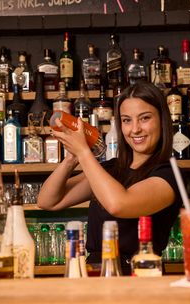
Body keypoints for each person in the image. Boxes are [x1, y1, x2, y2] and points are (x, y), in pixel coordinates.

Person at [37, 80, 181, 275]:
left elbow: (119, 204)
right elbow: (48, 201)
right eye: (127, 120)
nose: (135, 129)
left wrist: (83, 153)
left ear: (162, 121)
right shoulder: (111, 169)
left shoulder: (168, 175)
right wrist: (71, 158)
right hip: (94, 272)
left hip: (139, 274)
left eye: (145, 118)